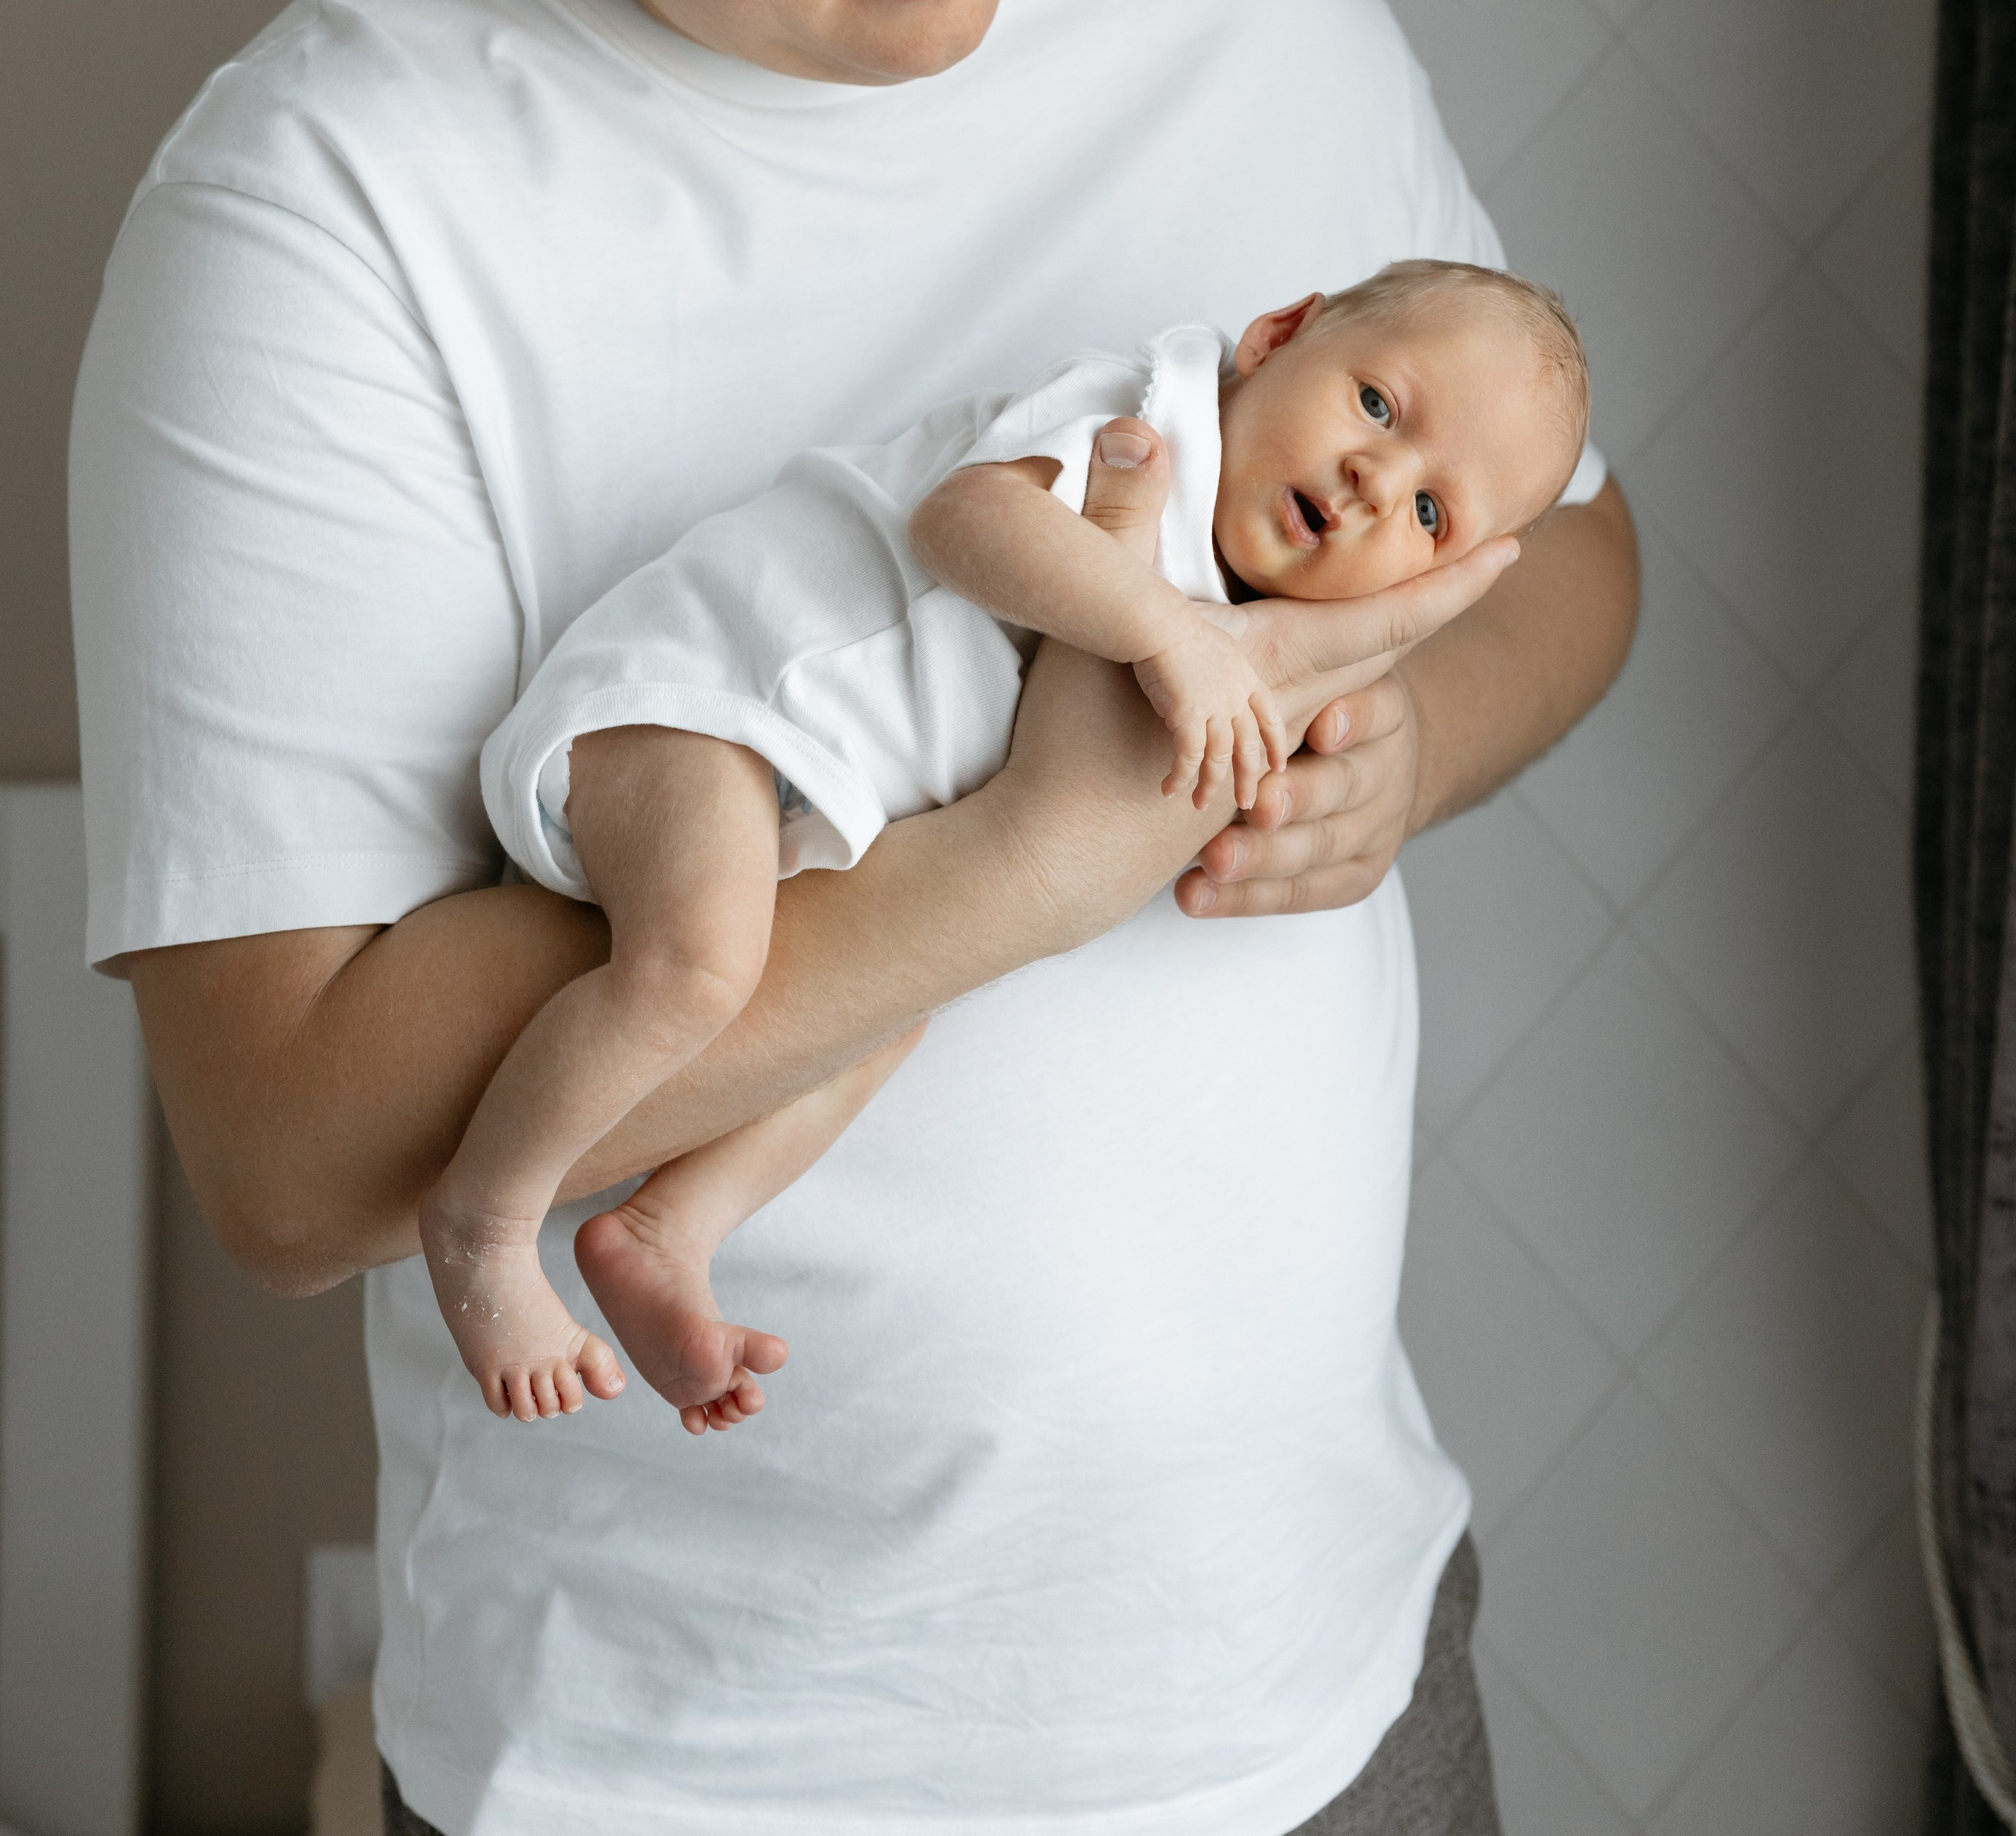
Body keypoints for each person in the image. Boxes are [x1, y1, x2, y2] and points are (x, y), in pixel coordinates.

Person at [74, 0, 1639, 1836]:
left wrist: (1413, 741)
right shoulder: (322, 213)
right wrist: (1036, 859)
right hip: (679, 1783)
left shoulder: (1268, 23)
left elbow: (1567, 557)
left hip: (1336, 1710)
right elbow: (295, 1147)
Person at [428, 264, 1590, 1435]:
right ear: (1279, 335)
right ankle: (482, 1220)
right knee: (701, 967)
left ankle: (667, 1227)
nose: (1377, 479)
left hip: (799, 793)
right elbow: (967, 519)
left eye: (1434, 514)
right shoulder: (1143, 414)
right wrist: (1164, 636)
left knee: (883, 1016)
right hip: (696, 702)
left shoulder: (1237, 620)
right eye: (1379, 407)